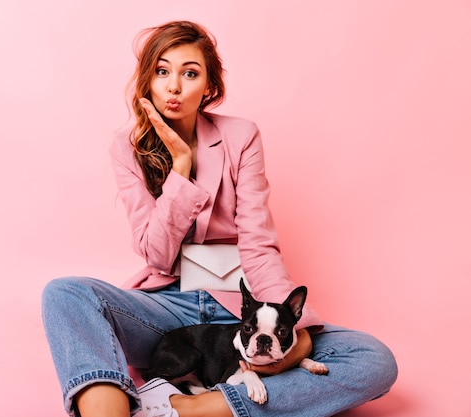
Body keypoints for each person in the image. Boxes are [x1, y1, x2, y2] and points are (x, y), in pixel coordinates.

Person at [42, 20, 397, 417]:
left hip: (244, 310)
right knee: (65, 293)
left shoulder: (241, 136)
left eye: (189, 73)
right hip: (168, 312)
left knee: (373, 359)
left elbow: (258, 246)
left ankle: (183, 409)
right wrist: (180, 166)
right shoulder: (126, 150)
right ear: (147, 80)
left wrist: (294, 330)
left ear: (209, 86)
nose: (174, 86)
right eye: (162, 71)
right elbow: (157, 256)